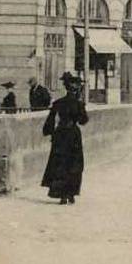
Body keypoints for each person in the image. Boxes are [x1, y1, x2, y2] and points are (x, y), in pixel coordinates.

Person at [41, 72, 89, 205]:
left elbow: (50, 121)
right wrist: (81, 106)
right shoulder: (78, 104)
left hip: (60, 135)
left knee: (60, 164)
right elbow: (83, 121)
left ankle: (62, 195)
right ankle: (71, 193)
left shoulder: (58, 103)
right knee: (74, 164)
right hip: (73, 135)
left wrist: (49, 132)